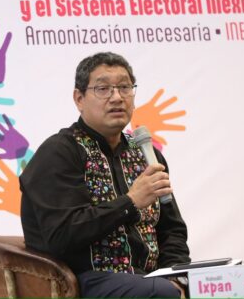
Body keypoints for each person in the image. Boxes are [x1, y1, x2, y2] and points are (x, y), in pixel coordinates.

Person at [20, 51, 190, 298]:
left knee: (221, 284)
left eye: (125, 87)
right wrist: (130, 202)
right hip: (81, 281)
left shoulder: (146, 155)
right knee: (160, 293)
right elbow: (62, 235)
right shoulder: (59, 152)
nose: (117, 97)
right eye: (103, 89)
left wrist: (177, 276)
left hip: (149, 279)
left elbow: (172, 230)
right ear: (79, 98)